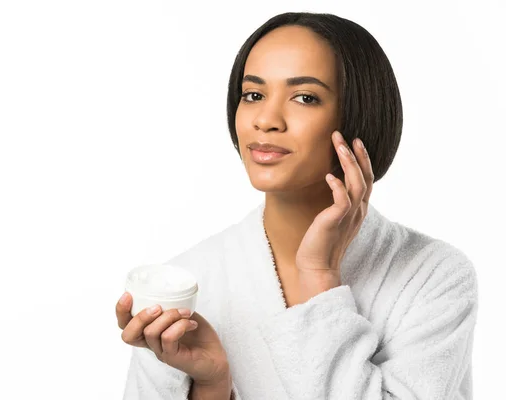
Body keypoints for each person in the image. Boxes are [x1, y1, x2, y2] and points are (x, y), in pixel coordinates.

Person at [115, 11, 478, 399]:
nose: (266, 120)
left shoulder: (431, 275)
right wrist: (212, 385)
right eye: (253, 95)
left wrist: (319, 277)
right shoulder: (187, 283)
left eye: (305, 97)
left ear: (358, 115)